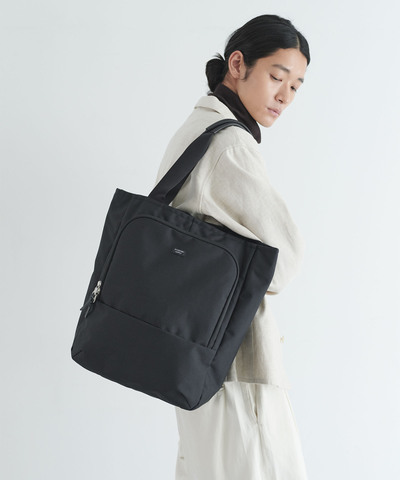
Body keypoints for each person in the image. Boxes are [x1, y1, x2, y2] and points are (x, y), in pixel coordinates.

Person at [154, 14, 310, 480]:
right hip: (235, 366)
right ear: (237, 65)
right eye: (277, 77)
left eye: (296, 86)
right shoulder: (229, 144)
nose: (285, 96)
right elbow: (285, 260)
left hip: (195, 356)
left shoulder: (198, 128)